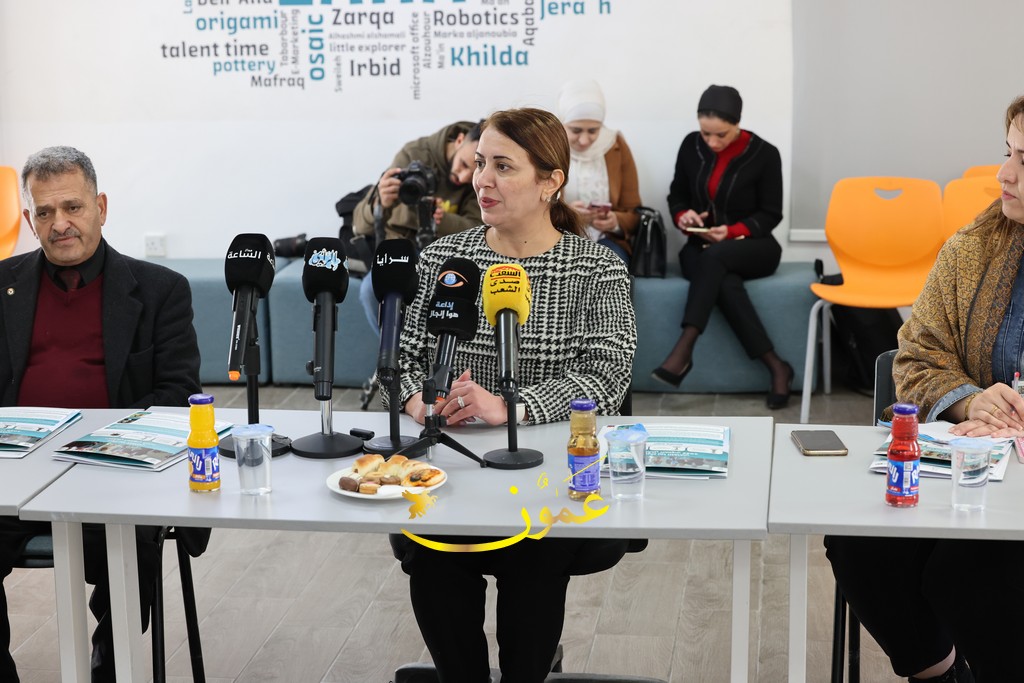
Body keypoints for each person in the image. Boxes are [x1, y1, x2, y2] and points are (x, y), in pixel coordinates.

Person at [390, 108, 637, 682]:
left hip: (548, 476)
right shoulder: (445, 261)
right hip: (452, 471)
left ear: (551, 181)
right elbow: (397, 362)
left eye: (503, 166)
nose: (483, 179)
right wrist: (418, 402)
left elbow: (607, 376)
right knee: (433, 558)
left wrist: (512, 407)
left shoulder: (595, 268)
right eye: (480, 163)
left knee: (535, 557)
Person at [826, 94, 1024, 683]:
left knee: (966, 572)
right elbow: (914, 355)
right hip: (975, 467)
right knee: (859, 541)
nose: (1004, 174)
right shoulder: (973, 247)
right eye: (1008, 152)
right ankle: (939, 675)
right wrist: (970, 399)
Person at [0, 146, 203, 682]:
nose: (59, 224)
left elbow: (178, 395)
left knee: (132, 544)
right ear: (30, 220)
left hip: (113, 474)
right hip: (11, 471)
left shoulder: (160, 291)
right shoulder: (2, 286)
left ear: (101, 208)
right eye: (44, 212)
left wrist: (96, 443)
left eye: (72, 207)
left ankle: (109, 663)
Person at [651, 84, 794, 409]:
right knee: (723, 280)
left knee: (715, 258)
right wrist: (684, 216)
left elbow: (771, 213)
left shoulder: (765, 153)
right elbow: (677, 195)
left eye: (722, 135)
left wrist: (730, 231)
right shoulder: (691, 145)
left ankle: (685, 346)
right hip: (701, 248)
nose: (712, 142)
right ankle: (777, 366)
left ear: (738, 124)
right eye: (706, 134)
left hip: (754, 247)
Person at [353, 121, 484, 329]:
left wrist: (440, 219)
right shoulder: (413, 155)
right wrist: (381, 202)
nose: (463, 177)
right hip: (399, 250)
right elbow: (359, 225)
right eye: (464, 165)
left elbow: (478, 230)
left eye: (473, 172)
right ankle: (394, 349)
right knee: (370, 289)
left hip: (445, 256)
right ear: (460, 140)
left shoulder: (483, 173)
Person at [556, 79, 642, 263]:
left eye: (593, 131)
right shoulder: (549, 148)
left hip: (607, 240)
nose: (584, 140)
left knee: (610, 266)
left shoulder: (615, 146)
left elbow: (634, 212)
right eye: (576, 130)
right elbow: (531, 208)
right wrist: (567, 215)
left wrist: (615, 221)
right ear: (562, 124)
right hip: (557, 237)